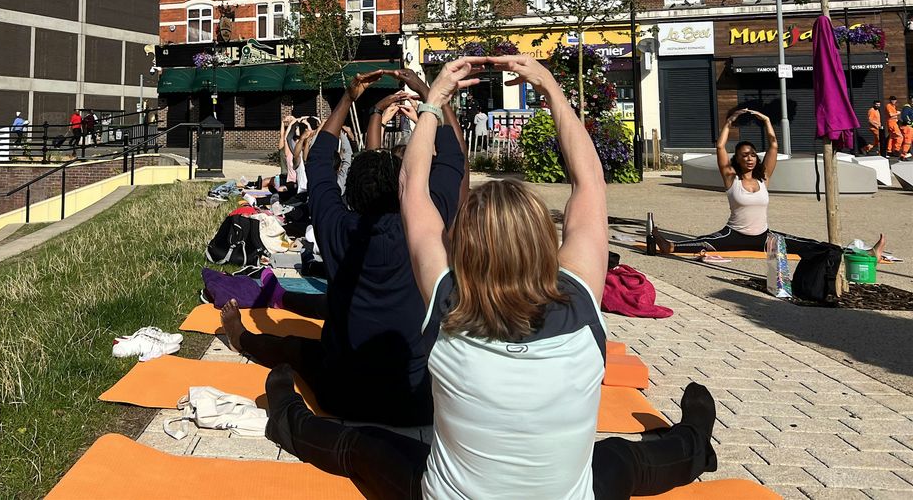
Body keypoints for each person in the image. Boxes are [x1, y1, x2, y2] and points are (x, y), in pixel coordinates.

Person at [264, 56, 720, 500]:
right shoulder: (580, 305)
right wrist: (550, 89)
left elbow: (412, 188)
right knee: (627, 459)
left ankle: (285, 415)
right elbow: (590, 182)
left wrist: (434, 98)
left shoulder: (446, 307)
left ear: (464, 245)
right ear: (545, 241)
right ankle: (696, 441)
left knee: (360, 446)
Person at [220, 69, 466, 427]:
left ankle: (242, 337)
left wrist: (348, 98)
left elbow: (319, 162)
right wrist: (432, 97)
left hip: (342, 394)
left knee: (295, 347)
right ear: (404, 190)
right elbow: (452, 158)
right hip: (416, 401)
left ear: (350, 193)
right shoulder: (426, 232)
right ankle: (266, 316)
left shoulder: (336, 225)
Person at [655, 109, 885, 258]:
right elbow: (719, 148)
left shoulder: (764, 178)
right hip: (734, 234)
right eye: (744, 154)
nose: (749, 157)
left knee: (808, 244)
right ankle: (670, 246)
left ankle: (864, 254)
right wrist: (730, 121)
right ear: (737, 159)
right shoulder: (731, 179)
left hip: (764, 236)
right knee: (703, 242)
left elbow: (774, 146)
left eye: (753, 154)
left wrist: (766, 121)